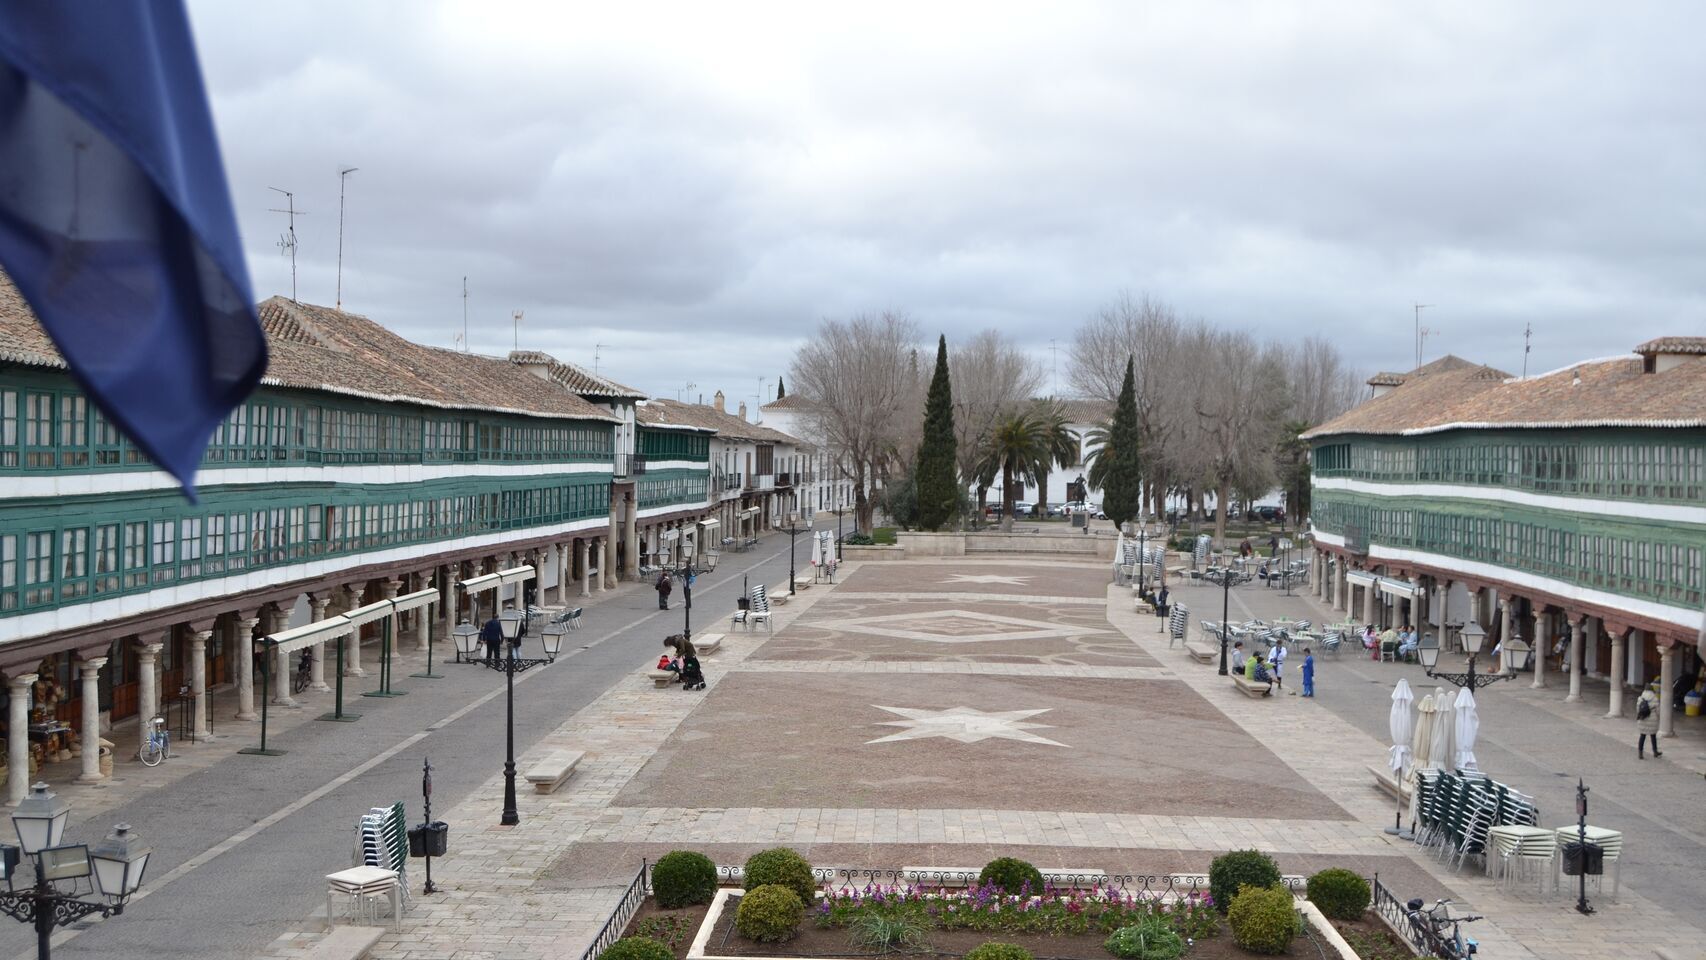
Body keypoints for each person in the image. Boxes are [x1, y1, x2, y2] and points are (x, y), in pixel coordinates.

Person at [1636, 690, 1661, 758]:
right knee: (1653, 736)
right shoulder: (1655, 699)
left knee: (1642, 736)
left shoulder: (1640, 698)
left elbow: (1638, 709)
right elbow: (1658, 711)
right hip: (1652, 720)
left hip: (1643, 719)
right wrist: (1658, 717)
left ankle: (1640, 753)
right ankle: (1655, 751)